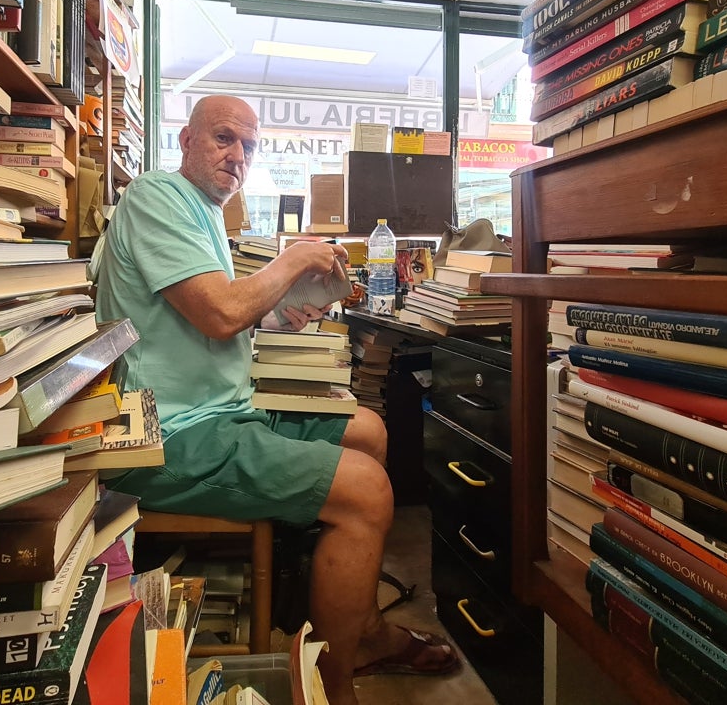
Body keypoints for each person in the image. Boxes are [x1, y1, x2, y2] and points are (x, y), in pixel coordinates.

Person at [92, 95, 459, 705]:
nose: (238, 156)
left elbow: (216, 316)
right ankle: (335, 683)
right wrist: (295, 258)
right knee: (366, 490)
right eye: (224, 138)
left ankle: (357, 626)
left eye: (249, 146)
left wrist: (298, 308)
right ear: (185, 141)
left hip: (222, 411)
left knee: (367, 429)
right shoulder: (156, 196)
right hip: (167, 433)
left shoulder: (206, 214)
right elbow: (219, 315)